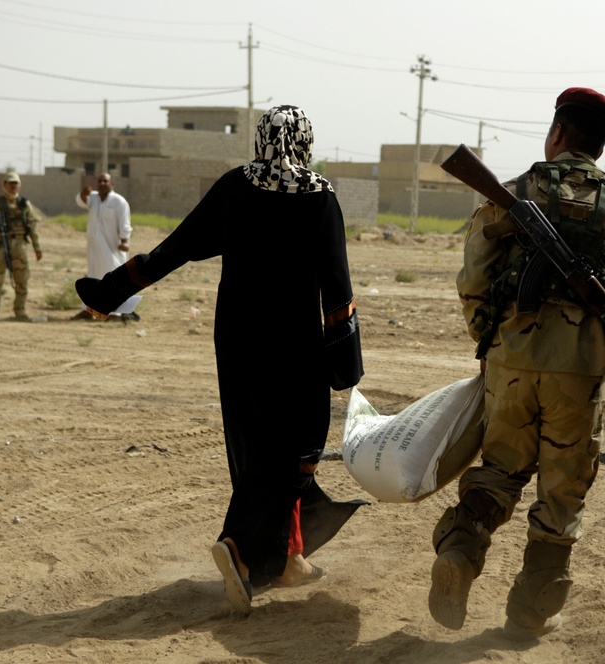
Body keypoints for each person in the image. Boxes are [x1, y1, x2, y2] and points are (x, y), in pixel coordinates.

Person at [74, 105, 365, 614]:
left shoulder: (236, 186)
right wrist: (346, 361)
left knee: (258, 442)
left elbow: (175, 248)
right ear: (305, 141)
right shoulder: (318, 196)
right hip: (292, 344)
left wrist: (112, 290)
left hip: (236, 339)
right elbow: (337, 288)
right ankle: (239, 547)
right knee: (298, 445)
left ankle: (288, 557)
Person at [429, 88, 605, 639]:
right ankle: (531, 611)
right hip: (583, 366)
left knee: (499, 468)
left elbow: (475, 277)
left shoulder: (516, 191)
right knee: (562, 491)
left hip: (512, 358)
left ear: (556, 134)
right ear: (600, 145)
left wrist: (489, 342)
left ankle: (458, 552)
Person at [0, 171, 43, 321]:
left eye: (15, 183)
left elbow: (32, 227)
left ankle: (20, 310)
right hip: (1, 246)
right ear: (4, 185)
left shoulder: (24, 204)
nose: (13, 186)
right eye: (10, 183)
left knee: (22, 280)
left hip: (20, 246)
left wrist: (37, 248)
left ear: (19, 185)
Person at [74, 173, 135, 320]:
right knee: (93, 277)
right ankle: (90, 310)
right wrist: (83, 194)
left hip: (112, 248)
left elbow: (125, 223)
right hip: (94, 248)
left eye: (105, 181)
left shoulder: (119, 201)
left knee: (114, 278)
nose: (102, 183)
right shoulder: (93, 198)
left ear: (112, 184)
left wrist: (125, 241)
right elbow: (82, 202)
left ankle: (115, 312)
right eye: (99, 181)